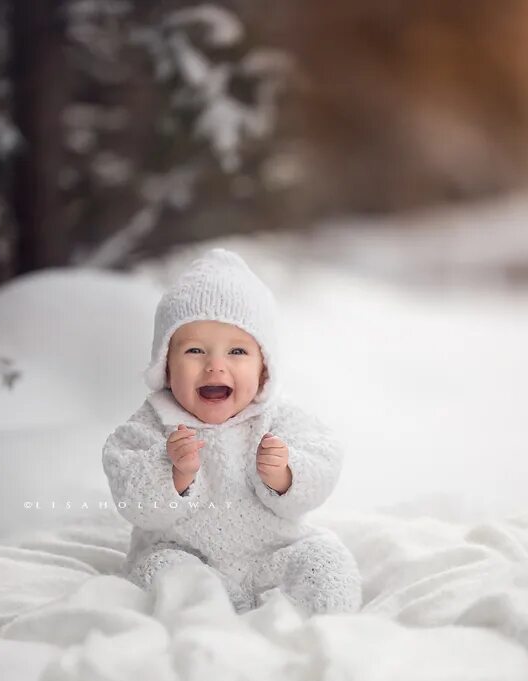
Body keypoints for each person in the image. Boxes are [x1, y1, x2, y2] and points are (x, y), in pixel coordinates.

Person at [101, 248, 362, 616]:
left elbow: (325, 457)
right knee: (157, 572)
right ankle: (215, 616)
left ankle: (321, 621)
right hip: (184, 555)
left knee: (326, 559)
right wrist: (172, 473)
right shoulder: (150, 424)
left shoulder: (278, 418)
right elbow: (132, 496)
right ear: (165, 365)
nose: (215, 366)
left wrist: (287, 475)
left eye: (237, 351)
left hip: (272, 552)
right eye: (194, 350)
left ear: (264, 369)